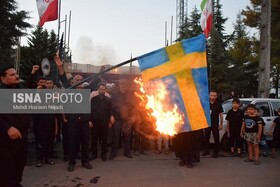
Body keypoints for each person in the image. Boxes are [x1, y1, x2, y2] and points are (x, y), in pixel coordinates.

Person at [54, 52, 92, 172]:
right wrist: (60, 66)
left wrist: (89, 120)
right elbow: (63, 78)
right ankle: (71, 162)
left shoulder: (88, 91)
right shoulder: (69, 90)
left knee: (85, 142)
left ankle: (85, 161)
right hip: (72, 122)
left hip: (85, 122)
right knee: (72, 142)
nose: (79, 81)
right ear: (73, 82)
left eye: (81, 80)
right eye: (77, 80)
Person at [0, 65, 32, 187]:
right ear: (3, 79)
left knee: (19, 165)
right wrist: (7, 127)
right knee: (6, 169)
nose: (17, 76)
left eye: (16, 74)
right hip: (6, 140)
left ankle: (16, 183)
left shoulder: (21, 89)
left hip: (22, 137)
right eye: (12, 75)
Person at [109, 79, 134, 160]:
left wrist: (133, 116)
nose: (123, 86)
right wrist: (111, 116)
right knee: (115, 137)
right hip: (117, 119)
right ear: (119, 85)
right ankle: (113, 153)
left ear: (127, 85)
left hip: (127, 119)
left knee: (127, 137)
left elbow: (133, 107)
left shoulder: (130, 95)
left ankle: (127, 152)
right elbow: (111, 106)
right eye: (121, 84)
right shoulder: (115, 95)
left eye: (124, 84)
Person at [90, 82, 114, 161]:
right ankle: (94, 154)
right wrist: (89, 120)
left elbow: (111, 111)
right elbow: (89, 110)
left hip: (104, 123)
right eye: (101, 89)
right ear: (98, 89)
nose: (102, 91)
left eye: (103, 89)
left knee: (104, 139)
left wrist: (110, 122)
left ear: (105, 90)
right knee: (94, 139)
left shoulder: (108, 100)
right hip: (94, 122)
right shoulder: (93, 99)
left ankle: (103, 154)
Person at [202, 90, 223, 158]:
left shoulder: (218, 104)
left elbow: (221, 115)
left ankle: (216, 152)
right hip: (207, 124)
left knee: (216, 138)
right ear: (209, 96)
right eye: (211, 95)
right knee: (206, 138)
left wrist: (221, 124)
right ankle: (206, 151)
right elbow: (202, 114)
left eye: (214, 96)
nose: (213, 97)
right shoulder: (206, 103)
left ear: (216, 96)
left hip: (215, 124)